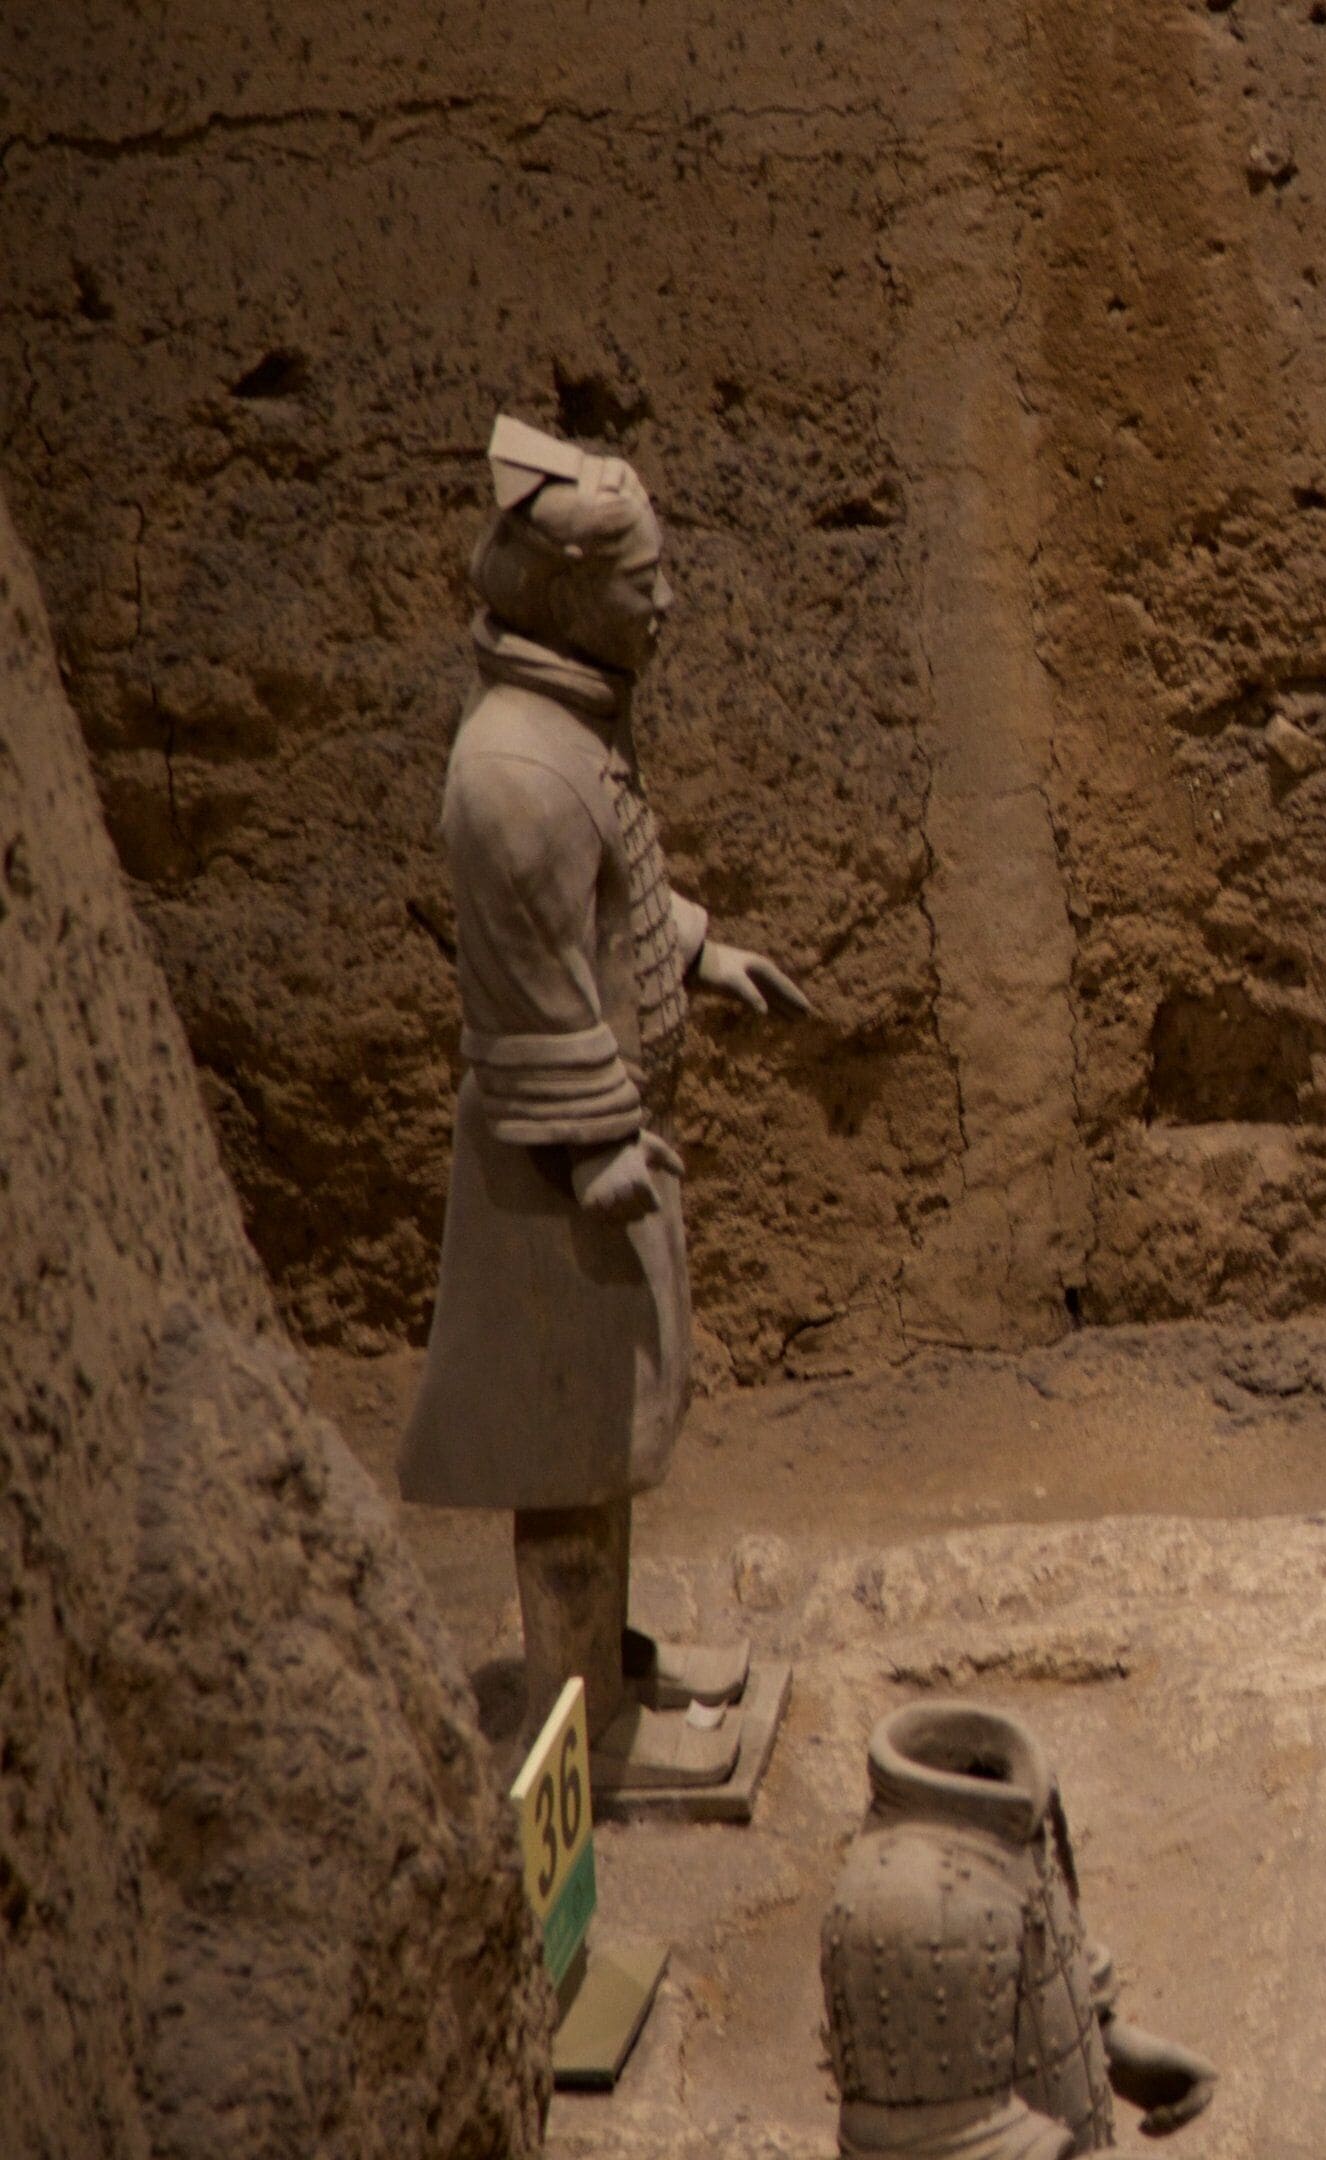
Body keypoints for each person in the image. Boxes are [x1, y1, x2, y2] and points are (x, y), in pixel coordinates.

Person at [400, 416, 810, 1790]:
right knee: (563, 1448)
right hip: (556, 1176)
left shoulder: (564, 737)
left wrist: (701, 949)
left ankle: (609, 1667)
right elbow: (531, 997)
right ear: (576, 596)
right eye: (646, 586)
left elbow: (611, 902)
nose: (668, 604)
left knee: (604, 1435)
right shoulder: (515, 772)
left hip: (603, 1155)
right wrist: (595, 1156)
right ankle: (596, 1739)